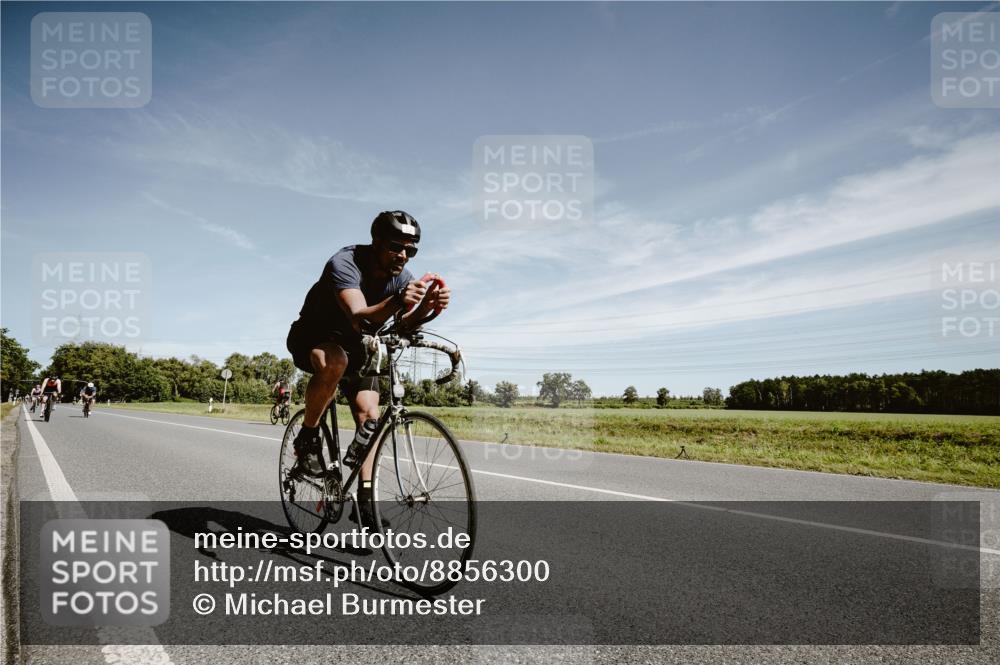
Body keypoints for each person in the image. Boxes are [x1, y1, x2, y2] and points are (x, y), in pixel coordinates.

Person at [285, 210, 449, 527]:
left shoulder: (402, 278)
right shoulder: (344, 263)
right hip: (315, 337)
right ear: (375, 242)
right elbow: (360, 316)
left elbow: (399, 326)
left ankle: (365, 499)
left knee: (369, 418)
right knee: (335, 361)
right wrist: (399, 301)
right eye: (395, 247)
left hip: (360, 346)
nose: (403, 255)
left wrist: (429, 310)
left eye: (410, 250)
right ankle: (307, 435)